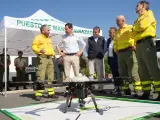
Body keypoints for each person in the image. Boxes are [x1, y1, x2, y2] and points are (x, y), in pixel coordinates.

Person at [133, 1, 160, 100]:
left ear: (143, 6)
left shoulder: (149, 14)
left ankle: (159, 91)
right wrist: (136, 29)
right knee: (142, 70)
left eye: (137, 5)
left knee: (152, 68)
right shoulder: (138, 19)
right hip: (139, 44)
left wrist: (135, 28)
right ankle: (146, 91)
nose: (136, 7)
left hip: (147, 42)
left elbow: (142, 26)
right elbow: (133, 33)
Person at [114, 15, 142, 95]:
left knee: (133, 72)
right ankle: (126, 90)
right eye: (116, 21)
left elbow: (136, 36)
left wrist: (135, 45)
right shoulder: (117, 32)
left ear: (123, 20)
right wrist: (116, 50)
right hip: (120, 53)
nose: (117, 23)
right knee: (123, 73)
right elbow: (115, 42)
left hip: (129, 51)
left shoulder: (130, 27)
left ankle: (138, 90)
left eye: (118, 21)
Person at [32, 24, 57, 100]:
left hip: (50, 58)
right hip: (42, 58)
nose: (49, 31)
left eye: (49, 30)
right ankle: (38, 94)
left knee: (50, 76)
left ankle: (51, 93)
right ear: (43, 31)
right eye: (48, 30)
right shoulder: (38, 37)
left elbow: (51, 48)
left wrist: (54, 54)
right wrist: (39, 50)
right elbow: (33, 46)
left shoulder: (49, 39)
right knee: (41, 76)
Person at [106, 27, 122, 94]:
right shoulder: (108, 40)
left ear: (115, 33)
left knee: (119, 73)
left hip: (117, 58)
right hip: (111, 59)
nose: (110, 34)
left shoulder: (118, 39)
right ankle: (116, 87)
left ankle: (120, 88)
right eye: (109, 32)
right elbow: (107, 49)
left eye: (112, 32)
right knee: (114, 74)